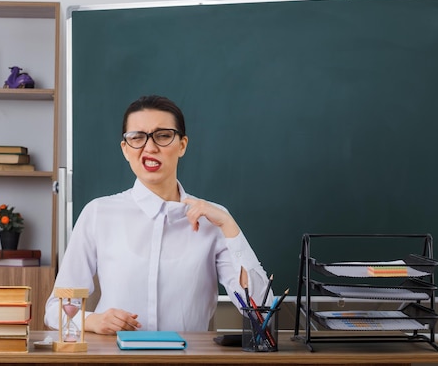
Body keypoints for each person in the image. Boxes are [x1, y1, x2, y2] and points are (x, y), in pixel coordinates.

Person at [44, 95, 270, 334]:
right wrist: (91, 321)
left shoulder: (213, 220)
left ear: (182, 145)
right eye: (137, 138)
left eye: (163, 136)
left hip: (189, 365)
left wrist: (229, 225)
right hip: (115, 363)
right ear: (125, 149)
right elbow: (54, 310)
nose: (149, 148)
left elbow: (260, 310)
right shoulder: (98, 213)